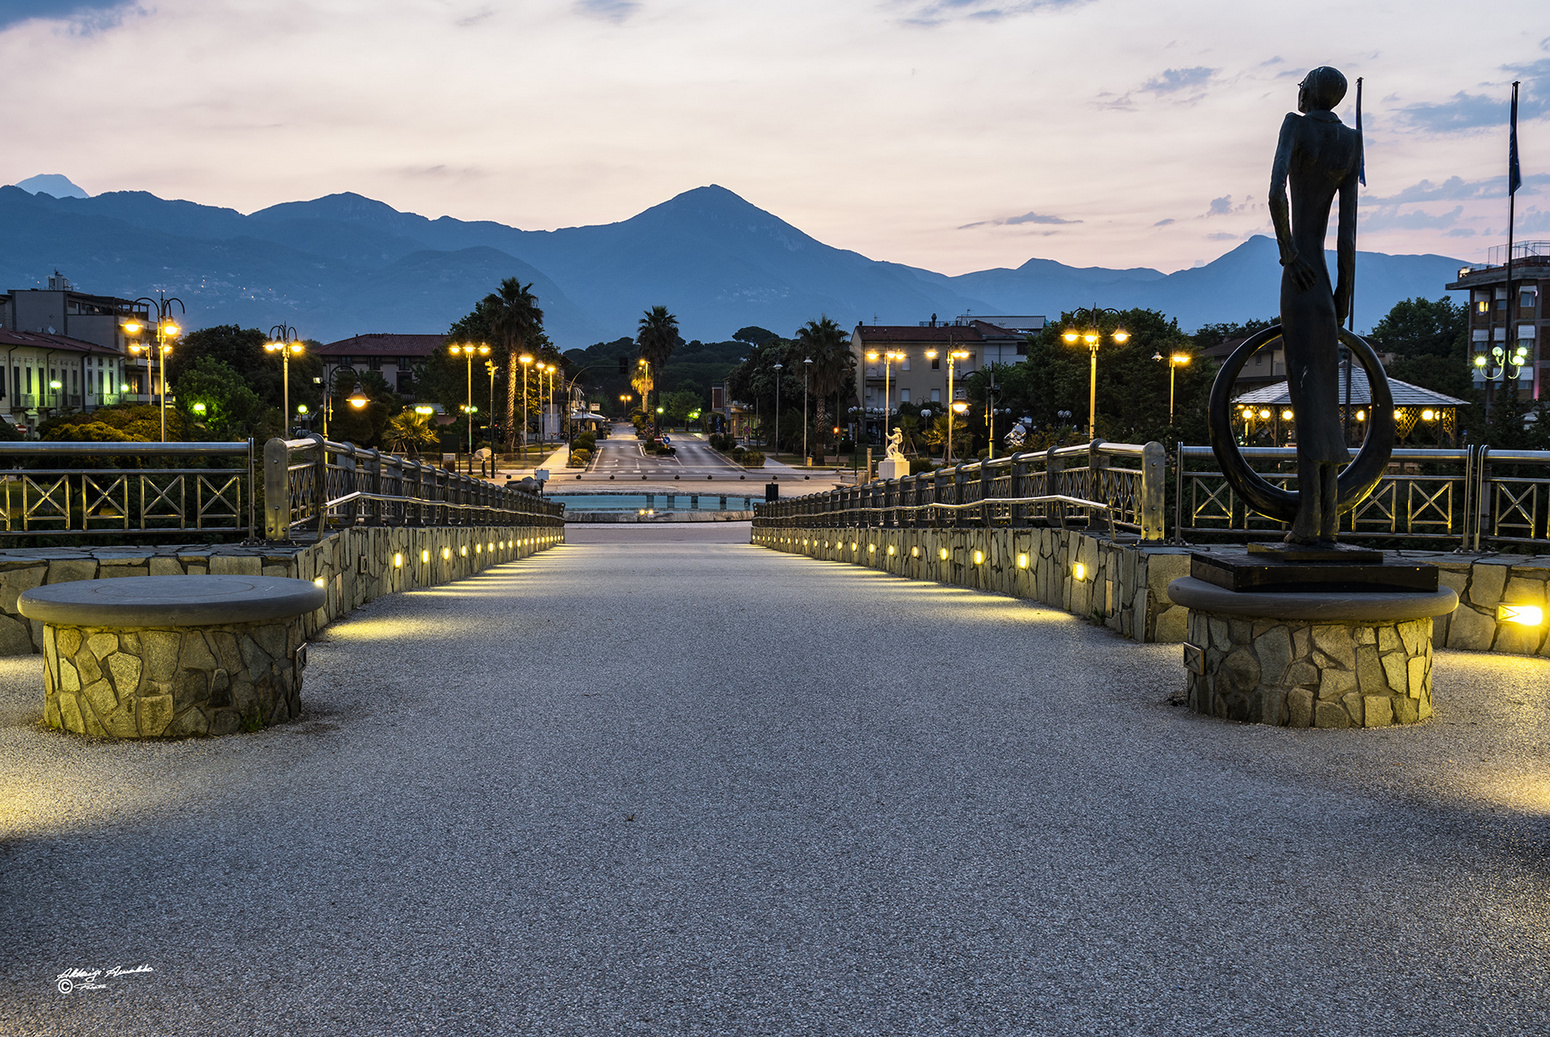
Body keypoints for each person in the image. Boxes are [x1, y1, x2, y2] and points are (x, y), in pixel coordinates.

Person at [1268, 65, 1361, 545]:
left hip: (1299, 275)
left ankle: (1309, 521)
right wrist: (1344, 290)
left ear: (1312, 92)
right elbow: (1347, 233)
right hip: (1325, 283)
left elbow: (1274, 191)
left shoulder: (1295, 124)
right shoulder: (1350, 140)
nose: (1297, 91)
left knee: (1307, 397)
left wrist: (1288, 253)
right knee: (1324, 394)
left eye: (1302, 84)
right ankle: (1328, 518)